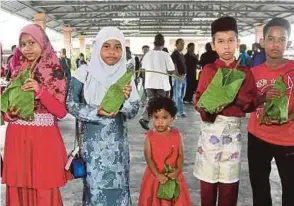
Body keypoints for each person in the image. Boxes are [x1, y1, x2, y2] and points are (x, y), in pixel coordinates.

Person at [193, 16, 266, 206]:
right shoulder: (208, 70)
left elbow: (251, 102)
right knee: (208, 183)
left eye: (231, 41)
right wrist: (209, 107)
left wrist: (238, 98)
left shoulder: (244, 72)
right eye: (221, 41)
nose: (226, 46)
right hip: (211, 132)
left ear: (237, 43)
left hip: (233, 134)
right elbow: (199, 100)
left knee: (229, 182)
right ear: (213, 45)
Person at [66, 27, 140, 206]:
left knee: (120, 188)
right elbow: (70, 104)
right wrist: (95, 112)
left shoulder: (125, 76)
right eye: (106, 46)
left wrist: (123, 102)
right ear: (98, 47)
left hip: (118, 147)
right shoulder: (84, 73)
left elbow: (134, 110)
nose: (112, 52)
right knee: (95, 190)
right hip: (93, 147)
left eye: (117, 47)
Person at [2, 24, 70, 205]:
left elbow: (61, 112)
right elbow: (8, 114)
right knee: (19, 187)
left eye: (32, 42)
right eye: (23, 44)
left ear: (43, 42)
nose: (27, 48)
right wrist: (10, 113)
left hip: (43, 139)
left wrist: (40, 92)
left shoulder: (55, 71)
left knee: (44, 186)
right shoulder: (17, 70)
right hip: (17, 138)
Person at [247, 17, 294, 206]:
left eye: (281, 39)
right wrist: (262, 98)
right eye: (271, 39)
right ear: (263, 42)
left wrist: (288, 117)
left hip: (289, 139)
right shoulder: (253, 72)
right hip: (257, 137)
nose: (276, 44)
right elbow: (247, 105)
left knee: (291, 189)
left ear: (288, 43)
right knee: (259, 189)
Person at [138, 97, 192, 206]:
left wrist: (177, 171)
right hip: (154, 178)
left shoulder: (177, 135)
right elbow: (149, 159)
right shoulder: (149, 137)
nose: (160, 122)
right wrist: (158, 175)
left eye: (164, 117)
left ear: (172, 118)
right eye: (156, 117)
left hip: (173, 176)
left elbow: (181, 155)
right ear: (151, 117)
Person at [139, 33, 175, 130]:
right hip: (162, 83)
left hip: (149, 83)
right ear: (163, 43)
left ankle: (144, 118)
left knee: (150, 102)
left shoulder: (147, 54)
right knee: (162, 104)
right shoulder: (165, 55)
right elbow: (171, 70)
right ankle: (161, 123)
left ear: (154, 43)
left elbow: (143, 69)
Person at [171, 39, 187, 118]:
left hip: (183, 76)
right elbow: (174, 66)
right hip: (178, 76)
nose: (182, 46)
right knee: (178, 94)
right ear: (176, 44)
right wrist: (177, 75)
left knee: (181, 95)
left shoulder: (181, 54)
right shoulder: (174, 54)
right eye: (181, 44)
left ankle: (174, 110)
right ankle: (180, 112)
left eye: (183, 44)